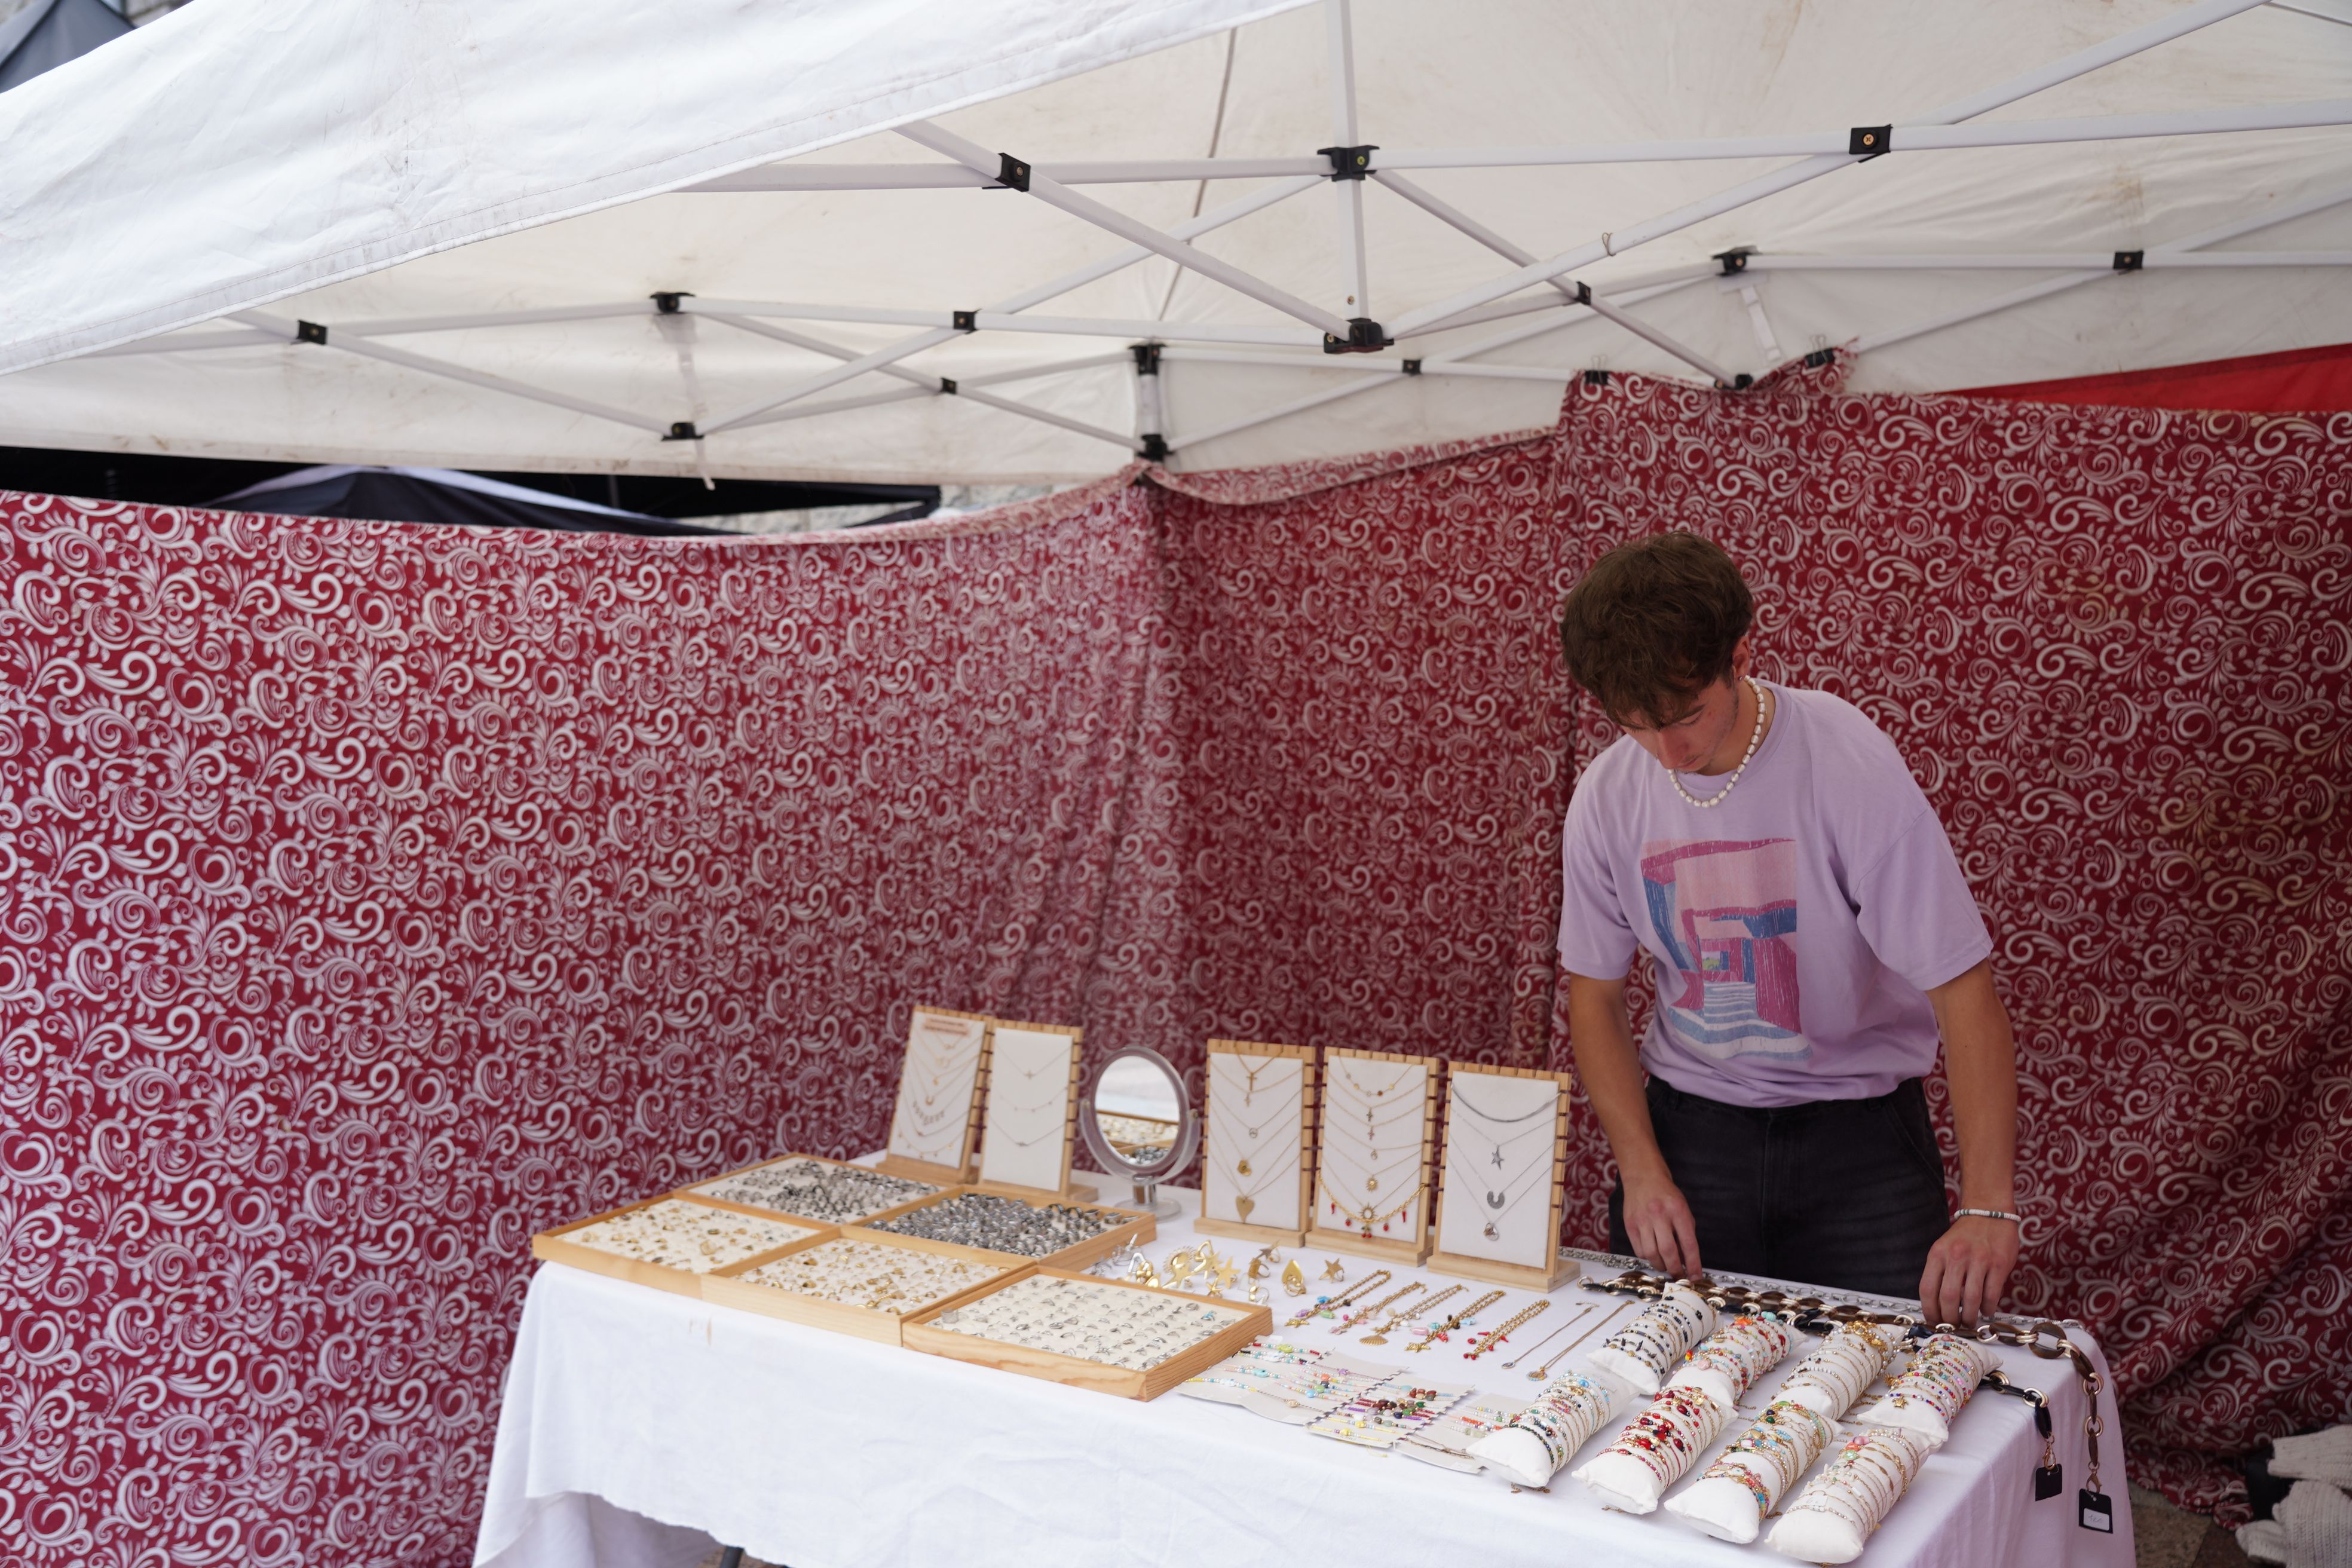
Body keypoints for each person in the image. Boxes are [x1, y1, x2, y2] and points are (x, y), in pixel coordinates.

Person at [1554, 532, 2019, 1326]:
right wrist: (1640, 1166)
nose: (1669, 750)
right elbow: (1593, 997)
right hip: (1693, 1133)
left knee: (1890, 1393)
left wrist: (1989, 1207)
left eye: (1687, 715)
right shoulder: (1606, 795)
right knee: (1671, 1400)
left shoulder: (1845, 760)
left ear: (1741, 656)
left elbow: (1962, 986)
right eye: (1636, 724)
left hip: (1859, 1141)